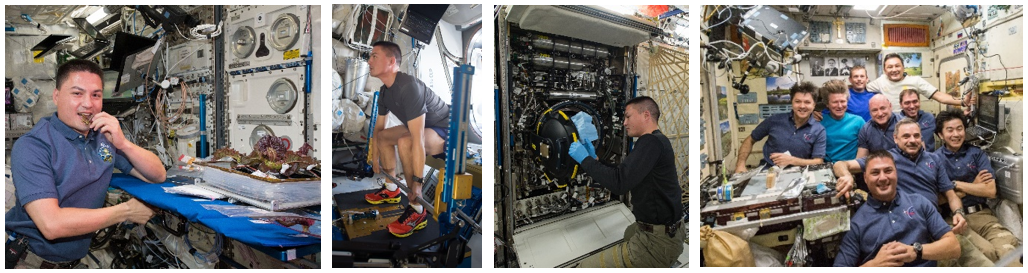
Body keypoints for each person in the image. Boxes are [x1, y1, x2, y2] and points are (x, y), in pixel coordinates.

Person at [5, 60, 166, 269]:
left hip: (73, 261)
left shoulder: (102, 140)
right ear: (56, 96)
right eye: (77, 94)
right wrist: (125, 211)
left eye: (96, 95)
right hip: (30, 261)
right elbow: (51, 225)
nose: (88, 104)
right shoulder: (33, 146)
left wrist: (123, 144)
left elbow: (157, 175)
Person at [567, 96, 683, 267]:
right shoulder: (657, 141)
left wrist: (585, 160)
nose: (624, 123)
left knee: (582, 267)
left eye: (628, 116)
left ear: (645, 115)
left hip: (658, 244)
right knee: (629, 232)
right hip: (671, 234)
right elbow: (624, 173)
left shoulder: (650, 142)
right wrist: (595, 160)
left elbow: (619, 184)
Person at [363, 41, 450, 238]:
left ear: (391, 61)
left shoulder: (408, 86)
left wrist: (418, 184)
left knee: (405, 141)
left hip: (444, 129)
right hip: (424, 126)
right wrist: (374, 157)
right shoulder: (385, 90)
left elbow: (417, 139)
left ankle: (416, 209)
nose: (369, 61)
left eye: (374, 56)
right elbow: (378, 128)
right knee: (385, 137)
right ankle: (392, 188)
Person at [835, 119, 967, 236]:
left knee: (980, 256)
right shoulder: (885, 160)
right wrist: (847, 176)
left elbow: (951, 195)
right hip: (904, 226)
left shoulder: (934, 159)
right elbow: (840, 164)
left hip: (935, 222)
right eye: (906, 136)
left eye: (916, 136)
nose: (912, 140)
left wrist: (959, 213)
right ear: (895, 138)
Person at [833, 150, 960, 267]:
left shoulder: (919, 202)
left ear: (896, 173)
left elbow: (954, 247)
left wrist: (916, 251)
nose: (882, 178)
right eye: (875, 172)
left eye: (888, 171)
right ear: (865, 178)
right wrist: (874, 265)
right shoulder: (857, 223)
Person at [934, 110, 1021, 265]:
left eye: (959, 129)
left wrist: (955, 185)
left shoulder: (976, 154)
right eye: (950, 130)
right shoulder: (935, 160)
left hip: (983, 215)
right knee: (986, 252)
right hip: (953, 219)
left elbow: (990, 190)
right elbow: (938, 200)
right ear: (941, 135)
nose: (956, 134)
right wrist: (974, 185)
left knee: (1007, 250)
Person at [736, 81, 826, 173]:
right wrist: (740, 165)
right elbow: (750, 139)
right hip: (769, 171)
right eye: (797, 101)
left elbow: (818, 161)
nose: (802, 106)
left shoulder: (819, 130)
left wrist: (792, 160)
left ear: (814, 105)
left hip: (800, 174)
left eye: (807, 102)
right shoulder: (774, 120)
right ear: (792, 102)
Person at [867, 53, 971, 111]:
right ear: (884, 70)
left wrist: (962, 101)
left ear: (903, 67)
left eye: (897, 66)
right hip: (889, 125)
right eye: (890, 67)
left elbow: (939, 96)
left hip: (911, 124)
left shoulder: (915, 81)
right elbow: (858, 87)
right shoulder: (880, 81)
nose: (894, 70)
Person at [819, 79, 864, 162]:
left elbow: (866, 148)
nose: (839, 106)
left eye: (843, 101)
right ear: (827, 104)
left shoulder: (858, 121)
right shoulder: (819, 122)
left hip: (852, 169)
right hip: (827, 169)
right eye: (835, 102)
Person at [856, 94, 901, 158]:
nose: (880, 113)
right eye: (874, 110)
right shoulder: (865, 130)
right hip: (878, 166)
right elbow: (861, 158)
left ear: (890, 106)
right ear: (870, 112)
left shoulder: (904, 124)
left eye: (883, 108)